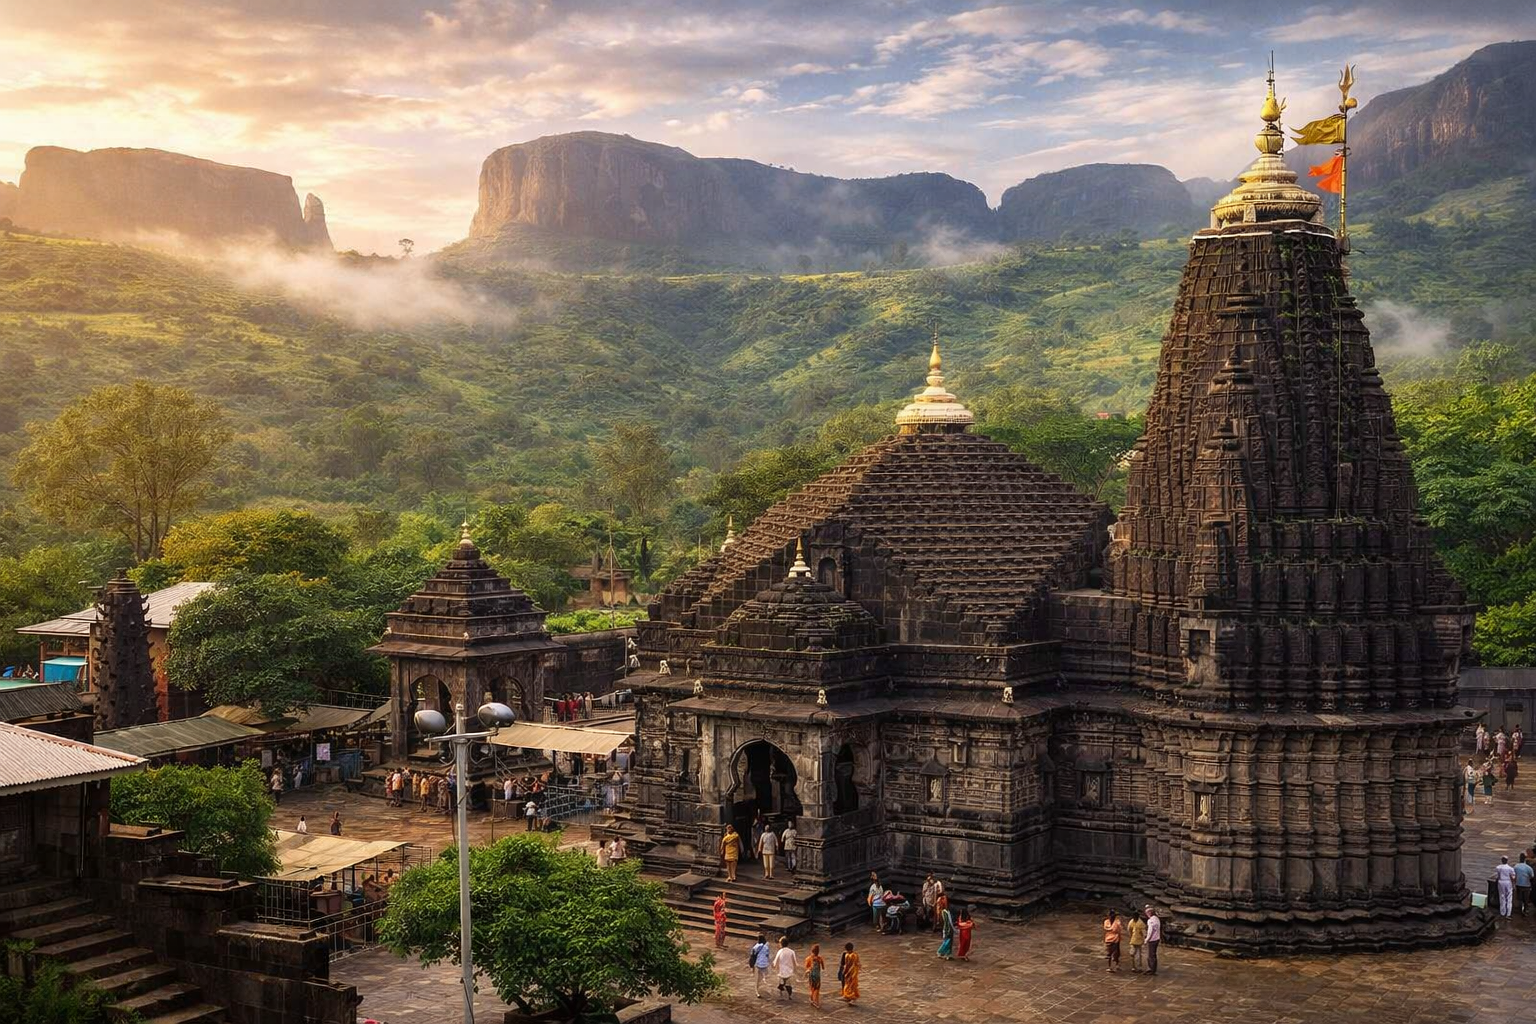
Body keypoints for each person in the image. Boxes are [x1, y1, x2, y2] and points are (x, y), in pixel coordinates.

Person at [772, 936, 797, 1000]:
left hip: (781, 971)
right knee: (788, 983)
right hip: (789, 971)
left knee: (782, 981)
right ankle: (789, 995)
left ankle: (781, 988)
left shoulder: (780, 952)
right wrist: (795, 968)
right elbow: (795, 962)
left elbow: (775, 961)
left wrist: (774, 966)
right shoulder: (791, 952)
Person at [748, 933, 772, 998]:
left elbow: (752, 955)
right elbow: (767, 955)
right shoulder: (766, 946)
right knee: (761, 977)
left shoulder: (755, 947)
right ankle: (758, 988)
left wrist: (751, 965)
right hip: (763, 964)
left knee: (757, 978)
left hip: (757, 964)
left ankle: (757, 991)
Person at [804, 943, 825, 1008]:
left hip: (811, 976)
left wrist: (806, 973)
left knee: (812, 988)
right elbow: (823, 968)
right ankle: (816, 1002)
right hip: (818, 976)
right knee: (817, 989)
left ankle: (812, 999)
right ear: (818, 952)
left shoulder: (808, 958)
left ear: (811, 951)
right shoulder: (820, 958)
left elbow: (807, 967)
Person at [1144, 906, 1161, 976]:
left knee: (1151, 955)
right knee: (1154, 954)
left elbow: (1150, 931)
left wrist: (1146, 939)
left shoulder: (1150, 921)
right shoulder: (1157, 919)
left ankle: (1151, 969)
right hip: (1157, 938)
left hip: (1152, 939)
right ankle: (1153, 968)